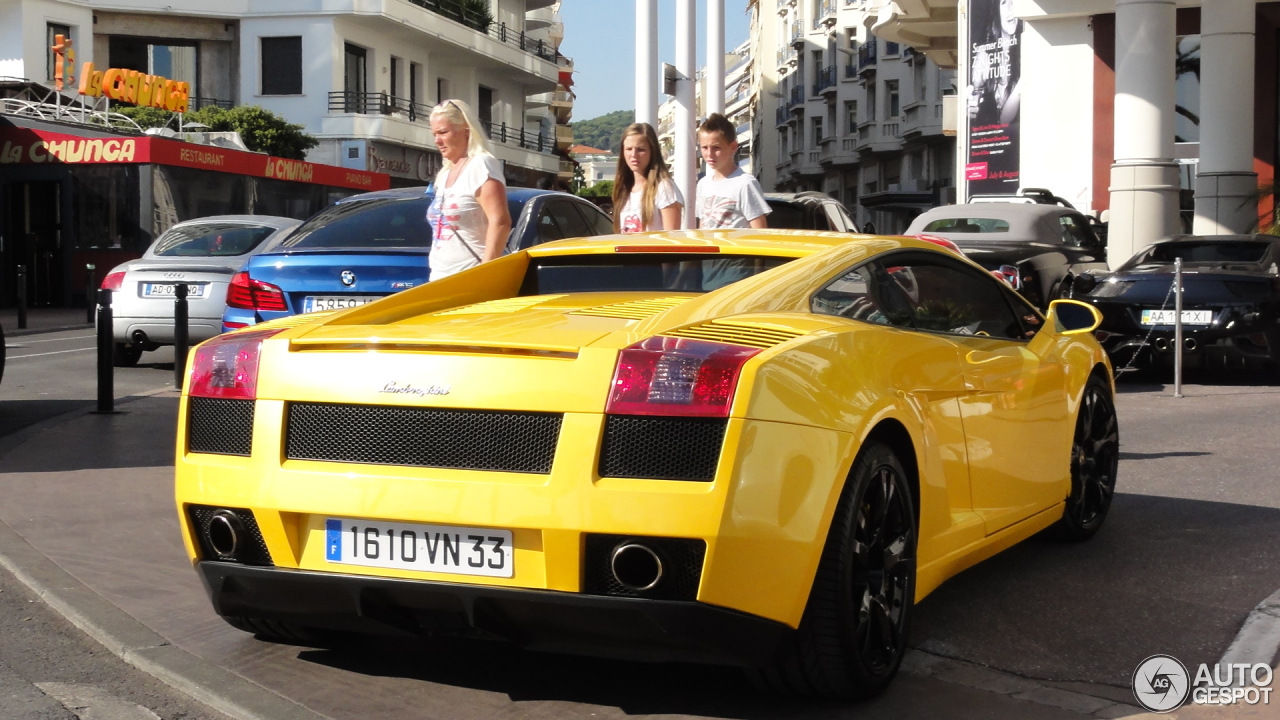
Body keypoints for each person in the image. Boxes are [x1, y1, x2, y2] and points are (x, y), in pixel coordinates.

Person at [425, 99, 511, 281]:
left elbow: (501, 222)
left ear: (466, 130)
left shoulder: (481, 165)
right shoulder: (446, 171)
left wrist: (484, 275)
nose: (437, 140)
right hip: (439, 280)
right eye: (434, 134)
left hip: (470, 279)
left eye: (443, 132)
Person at [695, 113, 771, 289]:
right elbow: (701, 229)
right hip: (707, 272)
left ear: (733, 147)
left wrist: (758, 277)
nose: (709, 154)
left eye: (716, 148)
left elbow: (761, 233)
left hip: (737, 271)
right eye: (704, 147)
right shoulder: (703, 184)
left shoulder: (745, 183)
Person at [611, 123, 683, 233]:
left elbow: (672, 238)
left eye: (640, 149)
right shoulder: (623, 190)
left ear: (652, 152)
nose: (634, 154)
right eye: (629, 149)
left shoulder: (664, 187)